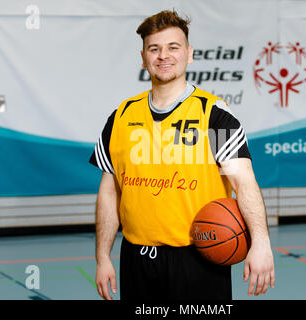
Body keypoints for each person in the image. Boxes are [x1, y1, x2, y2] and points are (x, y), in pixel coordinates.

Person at [89, 10, 275, 301]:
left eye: (173, 47)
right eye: (155, 48)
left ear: (189, 54)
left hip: (200, 258)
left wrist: (261, 243)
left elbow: (243, 181)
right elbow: (109, 191)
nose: (164, 55)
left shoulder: (215, 115)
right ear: (143, 57)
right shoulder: (121, 116)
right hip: (136, 258)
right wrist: (102, 256)